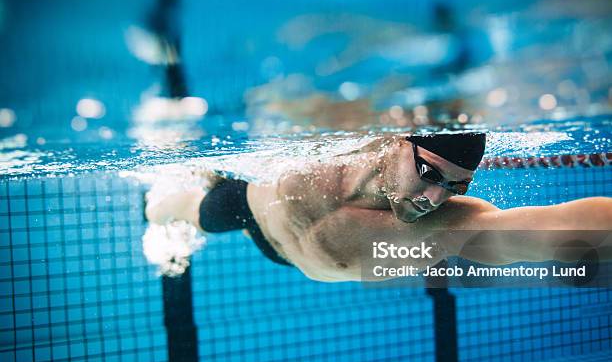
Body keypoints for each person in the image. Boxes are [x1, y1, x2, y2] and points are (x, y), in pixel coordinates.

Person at [145, 132, 612, 282]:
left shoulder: (449, 228)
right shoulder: (327, 146)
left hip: (286, 251)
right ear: (393, 143)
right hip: (247, 207)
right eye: (430, 174)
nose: (435, 199)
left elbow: (552, 228)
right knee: (170, 209)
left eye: (455, 186)